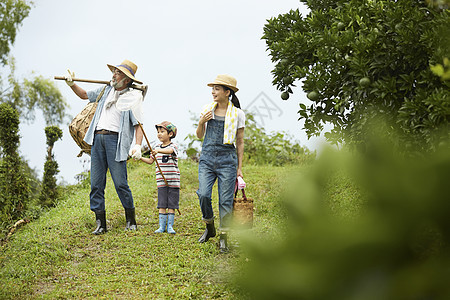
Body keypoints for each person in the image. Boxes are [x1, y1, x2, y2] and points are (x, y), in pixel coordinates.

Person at [64, 59, 144, 235]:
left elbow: (138, 124)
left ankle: (131, 220)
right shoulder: (105, 90)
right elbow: (84, 95)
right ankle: (100, 223)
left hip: (115, 141)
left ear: (127, 80)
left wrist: (138, 145)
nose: (114, 75)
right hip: (97, 139)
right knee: (96, 183)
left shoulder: (132, 97)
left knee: (121, 183)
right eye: (114, 71)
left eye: (118, 73)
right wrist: (72, 84)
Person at [196, 74, 245, 253]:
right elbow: (199, 135)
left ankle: (224, 237)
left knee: (225, 200)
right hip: (207, 158)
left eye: (217, 89)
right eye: (213, 88)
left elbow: (240, 141)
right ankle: (209, 226)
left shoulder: (238, 114)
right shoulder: (207, 109)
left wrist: (239, 168)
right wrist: (201, 121)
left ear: (227, 92)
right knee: (203, 194)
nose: (213, 92)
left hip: (227, 160)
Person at [139, 121, 180, 234]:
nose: (159, 134)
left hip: (173, 181)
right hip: (161, 181)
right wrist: (140, 157)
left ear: (170, 134)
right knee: (162, 204)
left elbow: (170, 151)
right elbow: (151, 161)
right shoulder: (156, 147)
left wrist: (158, 151)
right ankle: (161, 227)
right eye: (158, 132)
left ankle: (170, 226)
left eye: (162, 131)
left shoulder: (173, 146)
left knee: (171, 204)